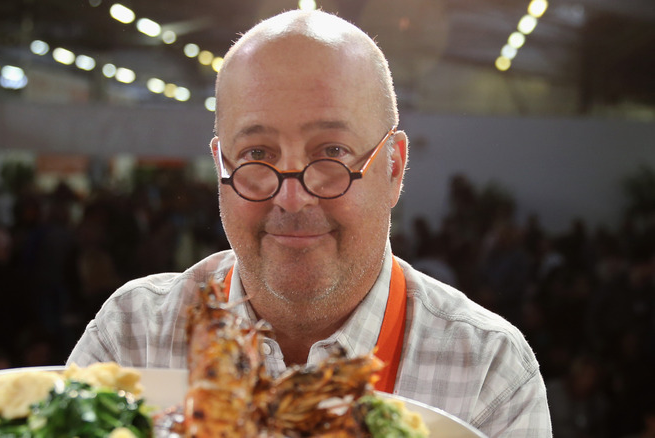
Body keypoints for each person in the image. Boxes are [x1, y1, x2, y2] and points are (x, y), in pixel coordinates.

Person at [68, 9, 552, 436]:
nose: (292, 196)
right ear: (221, 165)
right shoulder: (134, 337)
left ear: (394, 168)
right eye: (258, 154)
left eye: (331, 153)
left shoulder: (488, 373)